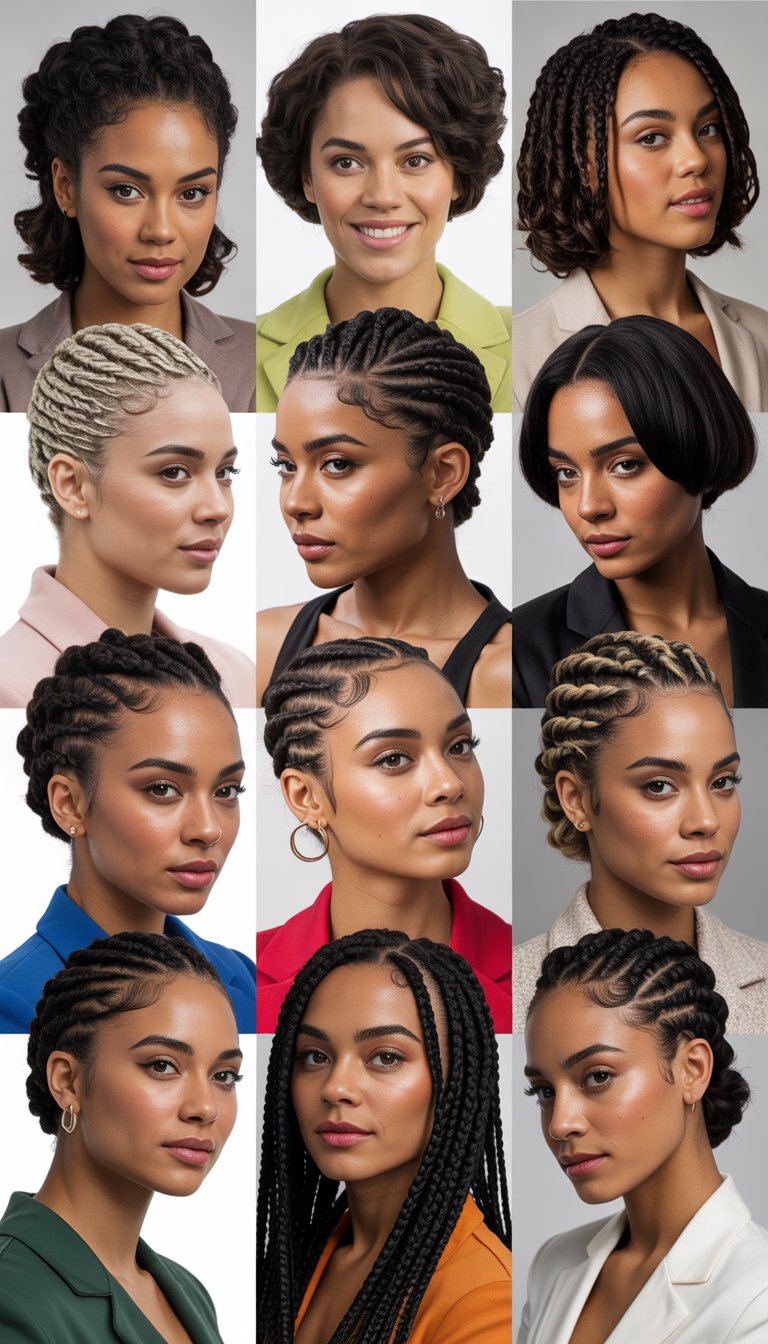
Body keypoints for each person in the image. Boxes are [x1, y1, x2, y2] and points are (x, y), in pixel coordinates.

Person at [258, 928, 511, 1344]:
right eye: (315, 1056)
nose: (335, 1087)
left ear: (457, 1079)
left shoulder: (486, 1301)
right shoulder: (298, 1259)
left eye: (386, 1057)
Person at [519, 928, 768, 1343]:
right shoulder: (553, 1263)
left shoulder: (756, 1296)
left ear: (692, 1070)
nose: (560, 1123)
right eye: (545, 1091)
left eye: (598, 1076)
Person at [0, 629, 255, 1034]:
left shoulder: (245, 978)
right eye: (162, 789)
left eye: (227, 791)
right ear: (69, 803)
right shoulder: (15, 1005)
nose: (208, 830)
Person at [513, 630, 768, 1033]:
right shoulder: (505, 993)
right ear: (576, 799)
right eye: (659, 786)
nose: (706, 821)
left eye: (723, 782)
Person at [514, 10, 768, 411]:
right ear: (583, 164)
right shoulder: (519, 359)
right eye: (652, 137)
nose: (696, 159)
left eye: (709, 128)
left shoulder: (762, 337)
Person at [258, 308, 511, 708]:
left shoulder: (505, 673)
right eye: (286, 466)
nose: (295, 502)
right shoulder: (264, 644)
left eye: (337, 464)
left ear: (443, 474)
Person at [0, 14, 255, 412]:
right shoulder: (4, 373)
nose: (161, 230)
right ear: (66, 187)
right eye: (126, 190)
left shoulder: (272, 365)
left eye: (192, 192)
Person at [257, 14, 510, 410]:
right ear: (307, 177)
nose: (383, 196)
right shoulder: (242, 353)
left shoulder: (530, 344)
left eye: (415, 160)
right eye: (346, 162)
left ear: (459, 173)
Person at [258, 636, 511, 1032]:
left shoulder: (539, 974)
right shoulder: (238, 982)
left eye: (460, 746)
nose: (449, 783)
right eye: (393, 759)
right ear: (307, 797)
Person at [0, 931, 242, 1342]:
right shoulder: (13, 1299)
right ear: (68, 1081)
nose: (205, 1107)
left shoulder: (189, 1293)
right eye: (163, 1066)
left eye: (224, 1076)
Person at [512, 316, 766, 708]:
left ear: (697, 446)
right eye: (566, 473)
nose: (589, 506)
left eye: (625, 464)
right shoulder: (516, 650)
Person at [0, 322, 255, 709]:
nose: (217, 508)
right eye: (174, 472)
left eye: (225, 473)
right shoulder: (13, 690)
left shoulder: (236, 674)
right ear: (71, 486)